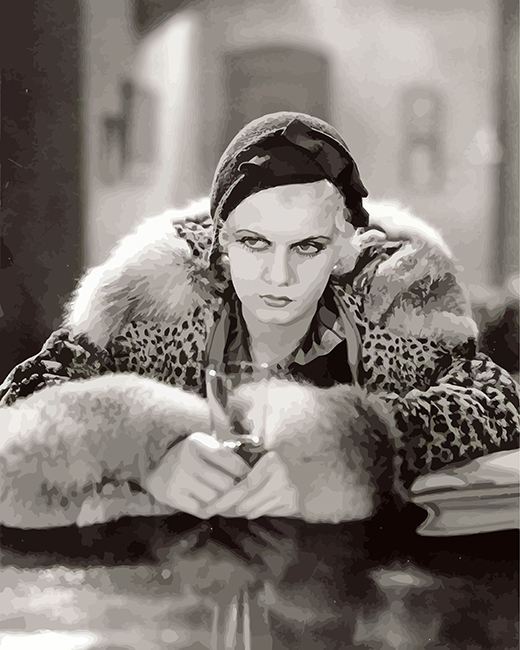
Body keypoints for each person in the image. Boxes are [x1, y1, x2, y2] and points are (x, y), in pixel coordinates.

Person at [0, 112, 518, 646]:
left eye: (307, 247)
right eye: (254, 242)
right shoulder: (152, 314)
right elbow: (24, 401)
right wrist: (146, 452)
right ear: (221, 241)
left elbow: (496, 402)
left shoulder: (393, 315)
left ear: (342, 248)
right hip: (171, 609)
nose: (278, 275)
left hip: (334, 607)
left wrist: (348, 451)